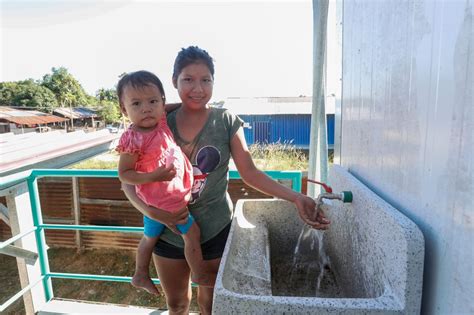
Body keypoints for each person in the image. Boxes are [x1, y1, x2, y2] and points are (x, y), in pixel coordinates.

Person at [122, 46, 331, 315]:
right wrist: (153, 213)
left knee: (210, 306)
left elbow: (250, 173)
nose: (198, 88)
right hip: (166, 234)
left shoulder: (225, 120)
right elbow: (128, 182)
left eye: (205, 80)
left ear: (213, 82)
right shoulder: (155, 123)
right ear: (174, 82)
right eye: (188, 79)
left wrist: (296, 197)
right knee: (176, 305)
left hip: (215, 232)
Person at [115, 70, 216, 296]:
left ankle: (140, 273)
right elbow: (125, 174)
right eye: (136, 104)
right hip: (164, 199)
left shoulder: (159, 121)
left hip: (160, 197)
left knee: (149, 237)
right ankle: (198, 272)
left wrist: (181, 104)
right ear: (124, 109)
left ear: (161, 102)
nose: (146, 108)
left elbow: (169, 107)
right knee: (192, 233)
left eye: (153, 101)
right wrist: (153, 177)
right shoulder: (133, 138)